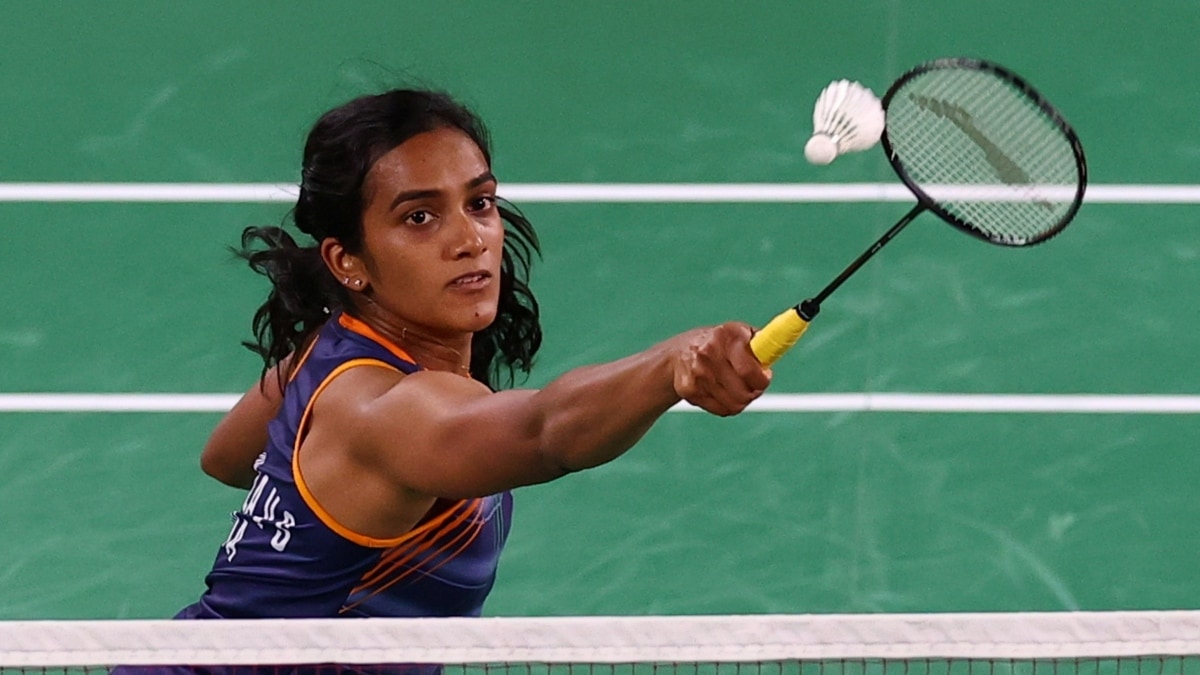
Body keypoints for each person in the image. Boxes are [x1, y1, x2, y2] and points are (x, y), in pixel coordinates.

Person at [176, 88, 772, 623]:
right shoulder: (387, 412)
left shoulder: (328, 349)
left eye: (480, 203)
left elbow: (226, 457)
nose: (469, 240)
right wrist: (671, 365)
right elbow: (544, 432)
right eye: (419, 217)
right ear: (346, 261)